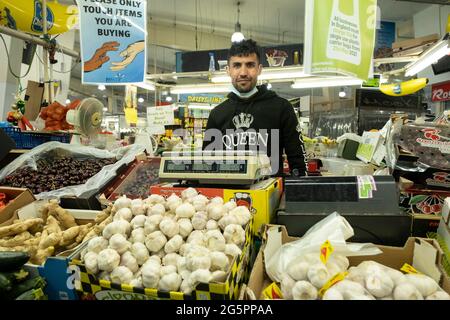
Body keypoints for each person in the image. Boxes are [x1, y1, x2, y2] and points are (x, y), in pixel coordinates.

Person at [203, 39, 307, 176]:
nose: (243, 72)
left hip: (270, 194)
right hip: (227, 194)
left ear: (259, 69)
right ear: (228, 70)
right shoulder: (217, 114)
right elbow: (207, 163)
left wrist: (299, 192)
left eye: (250, 65)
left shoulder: (281, 108)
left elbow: (297, 158)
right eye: (237, 65)